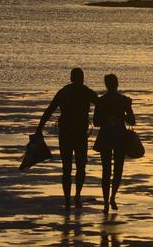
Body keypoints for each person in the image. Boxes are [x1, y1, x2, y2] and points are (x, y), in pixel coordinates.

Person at [37, 68, 99, 209]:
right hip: (80, 134)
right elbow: (101, 104)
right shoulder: (86, 91)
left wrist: (39, 128)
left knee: (66, 168)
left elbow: (49, 110)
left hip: (65, 133)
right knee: (81, 167)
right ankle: (77, 196)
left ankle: (67, 200)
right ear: (82, 78)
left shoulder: (64, 91)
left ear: (71, 78)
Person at [93, 73, 135, 213]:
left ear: (106, 85)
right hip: (120, 136)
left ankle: (106, 201)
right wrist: (123, 114)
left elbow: (96, 122)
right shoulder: (123, 100)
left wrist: (107, 119)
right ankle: (112, 197)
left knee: (106, 170)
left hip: (105, 136)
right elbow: (132, 121)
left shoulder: (101, 101)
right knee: (118, 169)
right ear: (117, 84)